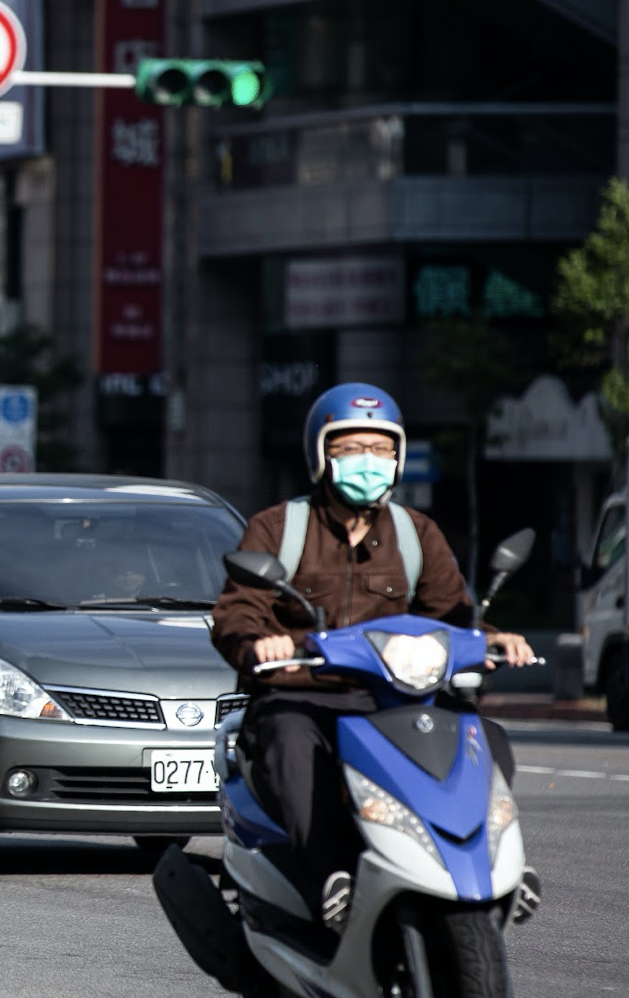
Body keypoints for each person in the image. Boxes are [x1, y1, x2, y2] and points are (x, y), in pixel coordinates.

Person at [211, 384, 537, 930]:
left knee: (487, 740)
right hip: (303, 696)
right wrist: (258, 642)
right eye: (352, 449)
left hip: (396, 698)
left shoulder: (416, 533)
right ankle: (328, 876)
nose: (370, 461)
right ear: (322, 455)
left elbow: (455, 615)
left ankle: (492, 867)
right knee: (291, 747)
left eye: (383, 450)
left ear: (399, 457)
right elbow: (237, 614)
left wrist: (495, 639)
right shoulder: (278, 527)